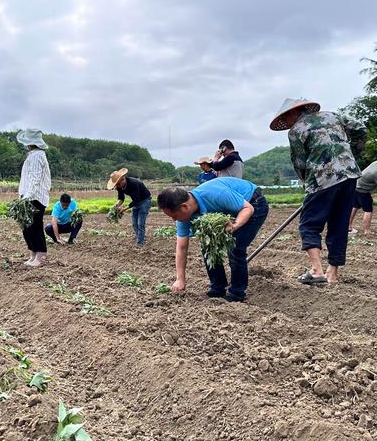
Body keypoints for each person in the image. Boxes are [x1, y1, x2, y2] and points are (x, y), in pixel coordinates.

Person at [270, 98, 366, 284]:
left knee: (309, 224)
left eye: (286, 119)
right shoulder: (332, 115)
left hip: (323, 178)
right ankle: (332, 274)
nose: (287, 123)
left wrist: (309, 185)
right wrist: (352, 153)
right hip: (350, 174)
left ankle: (316, 271)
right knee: (339, 224)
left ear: (293, 113)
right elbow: (360, 128)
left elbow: (300, 163)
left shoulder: (296, 130)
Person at [157, 177, 269, 301]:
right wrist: (180, 279)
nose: (174, 220)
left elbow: (248, 208)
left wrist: (235, 225)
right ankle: (218, 288)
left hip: (252, 203)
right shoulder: (184, 217)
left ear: (184, 206)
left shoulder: (215, 194)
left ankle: (237, 294)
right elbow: (181, 247)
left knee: (235, 247)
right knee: (208, 246)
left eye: (174, 216)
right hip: (230, 210)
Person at [17, 128, 51, 267]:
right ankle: (33, 253)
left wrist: (28, 196)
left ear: (30, 142)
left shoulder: (37, 156)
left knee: (35, 226)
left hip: (35, 198)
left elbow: (35, 178)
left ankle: (40, 255)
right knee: (27, 227)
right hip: (28, 196)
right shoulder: (33, 155)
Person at [107, 168, 152, 246]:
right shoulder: (119, 187)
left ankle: (140, 244)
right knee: (135, 224)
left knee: (140, 224)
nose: (117, 186)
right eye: (116, 185)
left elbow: (136, 200)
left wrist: (124, 209)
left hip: (145, 201)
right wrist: (115, 206)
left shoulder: (133, 183)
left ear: (123, 180)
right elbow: (121, 198)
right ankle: (141, 239)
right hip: (136, 202)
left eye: (118, 184)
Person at [349, 160, 377, 235]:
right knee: (368, 210)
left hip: (356, 185)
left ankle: (348, 227)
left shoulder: (375, 163)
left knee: (355, 206)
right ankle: (367, 231)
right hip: (362, 189)